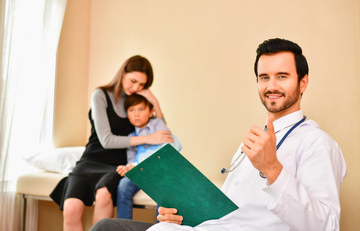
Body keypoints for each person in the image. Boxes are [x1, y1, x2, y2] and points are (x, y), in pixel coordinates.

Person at [89, 38, 347, 231]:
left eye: (282, 76)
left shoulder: (317, 144)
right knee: (106, 227)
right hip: (208, 226)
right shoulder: (254, 140)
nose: (271, 86)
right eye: (264, 77)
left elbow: (327, 224)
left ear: (303, 83)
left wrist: (272, 170)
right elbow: (227, 206)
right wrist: (183, 212)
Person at [50, 55, 174, 231]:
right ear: (123, 73)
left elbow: (162, 133)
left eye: (142, 85)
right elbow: (106, 140)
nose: (136, 87)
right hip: (90, 160)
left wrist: (155, 102)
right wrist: (148, 139)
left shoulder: (135, 101)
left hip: (117, 165)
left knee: (103, 196)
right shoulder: (100, 95)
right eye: (133, 81)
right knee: (71, 207)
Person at [116, 93, 182, 219]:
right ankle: (123, 226)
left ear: (151, 112)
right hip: (140, 172)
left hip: (159, 170)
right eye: (131, 110)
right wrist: (127, 168)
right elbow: (131, 160)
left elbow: (169, 147)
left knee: (163, 189)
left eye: (141, 109)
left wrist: (137, 164)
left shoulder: (157, 124)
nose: (136, 114)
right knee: (123, 186)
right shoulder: (131, 137)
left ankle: (161, 227)